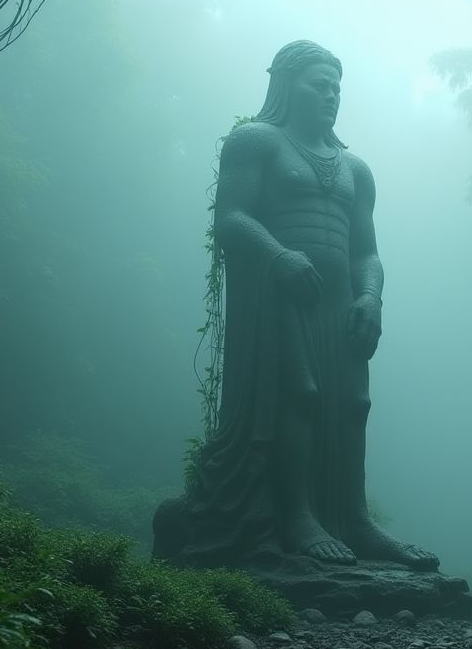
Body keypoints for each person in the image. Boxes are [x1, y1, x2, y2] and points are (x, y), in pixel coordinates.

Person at [169, 40, 438, 571]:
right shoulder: (256, 141)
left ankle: (355, 519)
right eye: (320, 84)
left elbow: (366, 252)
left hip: (339, 302)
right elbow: (231, 218)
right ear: (287, 86)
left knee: (354, 403)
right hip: (281, 296)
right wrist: (278, 257)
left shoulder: (356, 168)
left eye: (337, 87)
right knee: (300, 394)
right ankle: (296, 517)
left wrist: (371, 296)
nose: (331, 94)